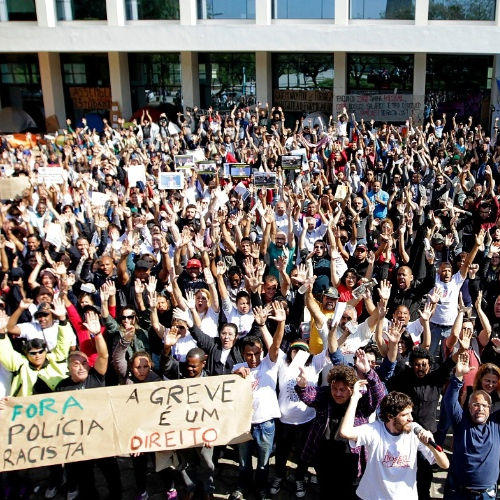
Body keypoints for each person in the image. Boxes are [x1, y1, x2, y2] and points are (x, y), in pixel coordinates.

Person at [295, 349, 386, 499]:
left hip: (351, 461)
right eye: (334, 388)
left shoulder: (361, 402)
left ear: (352, 389)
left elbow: (380, 396)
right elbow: (308, 396)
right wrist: (302, 386)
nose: (337, 393)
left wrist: (369, 372)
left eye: (343, 390)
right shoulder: (324, 396)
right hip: (324, 458)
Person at [56, 310, 123, 500]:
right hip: (78, 442)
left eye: (84, 363)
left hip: (101, 436)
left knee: (112, 475)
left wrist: (98, 334)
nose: (81, 367)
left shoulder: (96, 376)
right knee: (86, 480)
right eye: (76, 364)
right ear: (69, 368)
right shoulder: (62, 386)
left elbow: (103, 355)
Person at [339, 390, 449, 500]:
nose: (411, 418)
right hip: (372, 496)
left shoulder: (415, 430)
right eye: (405, 415)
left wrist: (430, 445)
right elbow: (345, 432)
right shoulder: (374, 430)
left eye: (410, 413)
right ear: (390, 416)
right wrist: (354, 399)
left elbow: (445, 465)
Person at [230, 302, 286, 500]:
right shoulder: (237, 368)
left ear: (262, 352)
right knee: (244, 462)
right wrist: (236, 374)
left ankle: (262, 488)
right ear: (243, 354)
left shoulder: (268, 365)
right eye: (248, 354)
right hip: (243, 424)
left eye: (256, 353)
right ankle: (242, 487)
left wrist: (280, 324)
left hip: (266, 423)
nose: (253, 358)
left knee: (263, 462)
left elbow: (276, 346)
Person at [443, 352, 500, 499]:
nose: (480, 408)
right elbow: (449, 402)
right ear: (468, 407)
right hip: (459, 492)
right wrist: (458, 377)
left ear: (490, 408)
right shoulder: (461, 421)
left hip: (486, 495)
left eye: (484, 405)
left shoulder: (495, 424)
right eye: (476, 404)